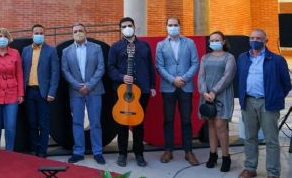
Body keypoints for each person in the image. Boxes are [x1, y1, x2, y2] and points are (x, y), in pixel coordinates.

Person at [237, 28, 291, 178]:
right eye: (252, 37)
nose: (255, 40)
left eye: (259, 38)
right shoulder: (242, 58)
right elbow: (239, 78)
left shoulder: (277, 60)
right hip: (248, 102)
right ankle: (250, 168)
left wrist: (275, 97)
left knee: (271, 140)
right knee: (249, 137)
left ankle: (273, 174)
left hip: (268, 104)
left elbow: (286, 84)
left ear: (266, 41)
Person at [108, 17, 156, 167]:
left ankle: (139, 153)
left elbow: (150, 67)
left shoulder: (144, 46)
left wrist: (152, 85)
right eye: (124, 26)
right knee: (122, 123)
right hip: (123, 91)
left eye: (130, 25)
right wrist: (122, 77)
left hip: (142, 90)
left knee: (139, 123)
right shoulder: (115, 47)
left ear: (135, 27)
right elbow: (110, 68)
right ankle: (122, 153)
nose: (127, 28)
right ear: (120, 29)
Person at [156, 17, 200, 165]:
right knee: (168, 119)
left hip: (185, 86)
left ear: (180, 26)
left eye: (175, 25)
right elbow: (159, 66)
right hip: (168, 87)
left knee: (186, 120)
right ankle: (168, 150)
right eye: (170, 25)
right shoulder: (160, 45)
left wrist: (184, 79)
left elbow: (195, 63)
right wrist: (172, 80)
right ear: (166, 27)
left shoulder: (190, 43)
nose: (173, 27)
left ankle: (188, 151)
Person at [61, 23, 106, 165]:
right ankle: (78, 152)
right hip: (76, 91)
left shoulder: (96, 48)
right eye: (75, 31)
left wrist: (89, 85)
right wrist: (77, 85)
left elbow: (100, 68)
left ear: (86, 32)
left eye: (80, 30)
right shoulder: (66, 51)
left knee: (95, 122)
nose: (78, 33)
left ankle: (97, 152)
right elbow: (65, 71)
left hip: (94, 90)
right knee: (77, 122)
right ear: (72, 33)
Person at [198, 31, 236, 172]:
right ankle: (212, 154)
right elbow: (201, 76)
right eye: (212, 40)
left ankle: (226, 156)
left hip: (222, 94)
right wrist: (204, 92)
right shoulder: (205, 57)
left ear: (223, 41)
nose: (214, 42)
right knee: (211, 125)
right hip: (207, 95)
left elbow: (227, 77)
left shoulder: (229, 58)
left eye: (217, 40)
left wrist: (214, 91)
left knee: (221, 125)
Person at [21, 24, 60, 157]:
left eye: (41, 33)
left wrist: (52, 92)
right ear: (32, 35)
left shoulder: (51, 50)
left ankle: (42, 151)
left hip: (44, 93)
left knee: (44, 124)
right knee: (32, 122)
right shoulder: (25, 51)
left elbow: (55, 73)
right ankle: (35, 148)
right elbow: (21, 72)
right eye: (36, 33)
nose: (39, 35)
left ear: (44, 35)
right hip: (29, 91)